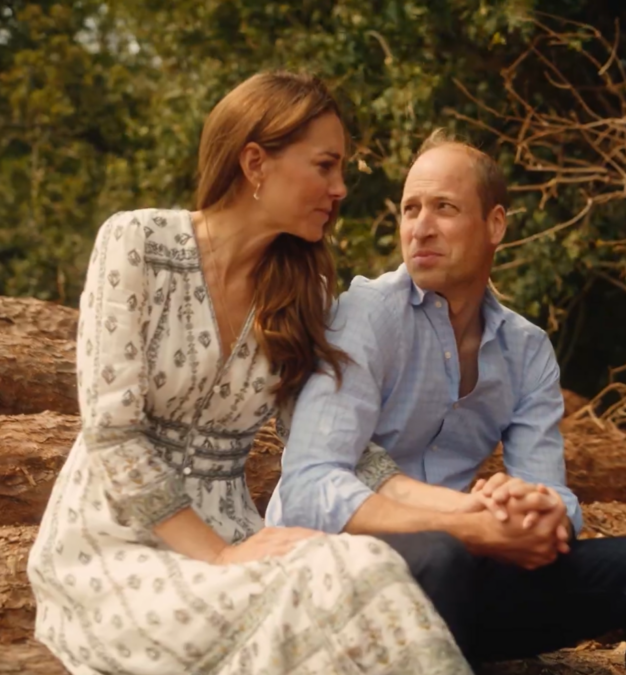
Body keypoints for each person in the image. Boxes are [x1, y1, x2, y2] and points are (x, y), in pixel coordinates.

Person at [26, 72, 472, 675]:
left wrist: (459, 511)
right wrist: (217, 557)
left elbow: (330, 438)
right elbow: (112, 433)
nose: (340, 188)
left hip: (236, 536)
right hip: (111, 547)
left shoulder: (303, 287)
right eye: (325, 166)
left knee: (367, 567)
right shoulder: (136, 241)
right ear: (256, 162)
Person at [267, 129, 626, 674]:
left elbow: (551, 489)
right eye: (410, 209)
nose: (420, 227)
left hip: (466, 577)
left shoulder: (526, 348)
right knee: (441, 554)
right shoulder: (366, 316)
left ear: (496, 225)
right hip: (345, 583)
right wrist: (466, 523)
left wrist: (544, 511)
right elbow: (309, 485)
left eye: (444, 208)